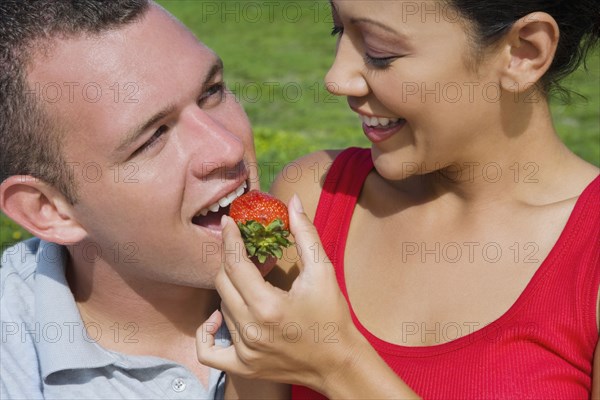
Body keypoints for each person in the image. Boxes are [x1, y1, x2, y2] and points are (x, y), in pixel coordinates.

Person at [197, 0, 600, 398]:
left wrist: (337, 366)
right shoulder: (314, 197)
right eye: (340, 31)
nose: (337, 79)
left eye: (379, 53)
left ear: (524, 52)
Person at [0, 1, 284, 398]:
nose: (228, 148)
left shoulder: (335, 246)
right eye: (154, 137)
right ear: (49, 210)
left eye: (211, 92)